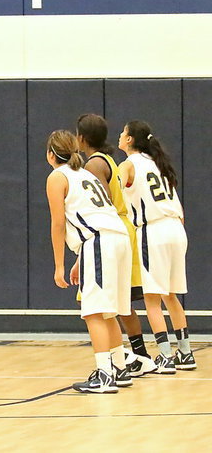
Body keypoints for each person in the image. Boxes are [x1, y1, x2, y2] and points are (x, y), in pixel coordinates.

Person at [46, 130, 132, 393]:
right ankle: (119, 367)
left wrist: (59, 265)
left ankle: (104, 374)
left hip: (99, 241)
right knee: (109, 310)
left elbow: (58, 224)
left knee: (93, 310)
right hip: (116, 238)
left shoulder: (56, 177)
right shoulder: (85, 173)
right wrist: (81, 257)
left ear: (51, 154)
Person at [75, 114, 157, 378]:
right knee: (120, 302)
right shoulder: (111, 160)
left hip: (111, 232)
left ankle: (123, 361)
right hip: (122, 230)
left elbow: (97, 208)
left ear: (81, 138)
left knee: (109, 304)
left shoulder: (95, 165)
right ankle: (127, 359)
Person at [118, 121, 194, 372]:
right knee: (170, 295)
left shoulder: (128, 165)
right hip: (176, 229)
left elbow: (112, 192)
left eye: (123, 132)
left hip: (153, 230)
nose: (119, 136)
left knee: (152, 299)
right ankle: (185, 353)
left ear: (129, 140)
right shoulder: (158, 164)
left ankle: (164, 356)